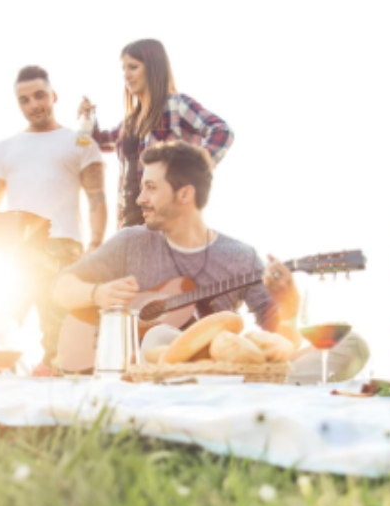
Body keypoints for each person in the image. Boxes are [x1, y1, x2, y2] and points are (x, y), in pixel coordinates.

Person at [53, 141, 368, 382]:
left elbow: (278, 348)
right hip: (155, 367)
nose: (140, 199)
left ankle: (257, 387)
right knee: (158, 336)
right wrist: (97, 294)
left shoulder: (240, 256)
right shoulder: (129, 242)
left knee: (353, 345)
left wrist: (290, 308)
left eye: (151, 188)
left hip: (226, 370)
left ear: (185, 194)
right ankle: (252, 389)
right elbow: (61, 287)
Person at [0, 66, 107, 374]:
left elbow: (96, 197)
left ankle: (57, 411)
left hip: (64, 248)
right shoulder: (5, 148)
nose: (33, 105)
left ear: (53, 96)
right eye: (24, 100)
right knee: (0, 329)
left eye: (39, 96)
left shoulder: (80, 143)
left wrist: (96, 244)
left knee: (59, 335)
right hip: (14, 250)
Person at [82, 39, 234, 229]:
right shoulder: (129, 123)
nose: (126, 75)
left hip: (168, 222)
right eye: (124, 69)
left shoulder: (177, 105)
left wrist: (197, 168)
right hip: (129, 226)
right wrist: (88, 117)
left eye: (133, 67)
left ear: (153, 68)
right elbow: (99, 141)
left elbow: (221, 130)